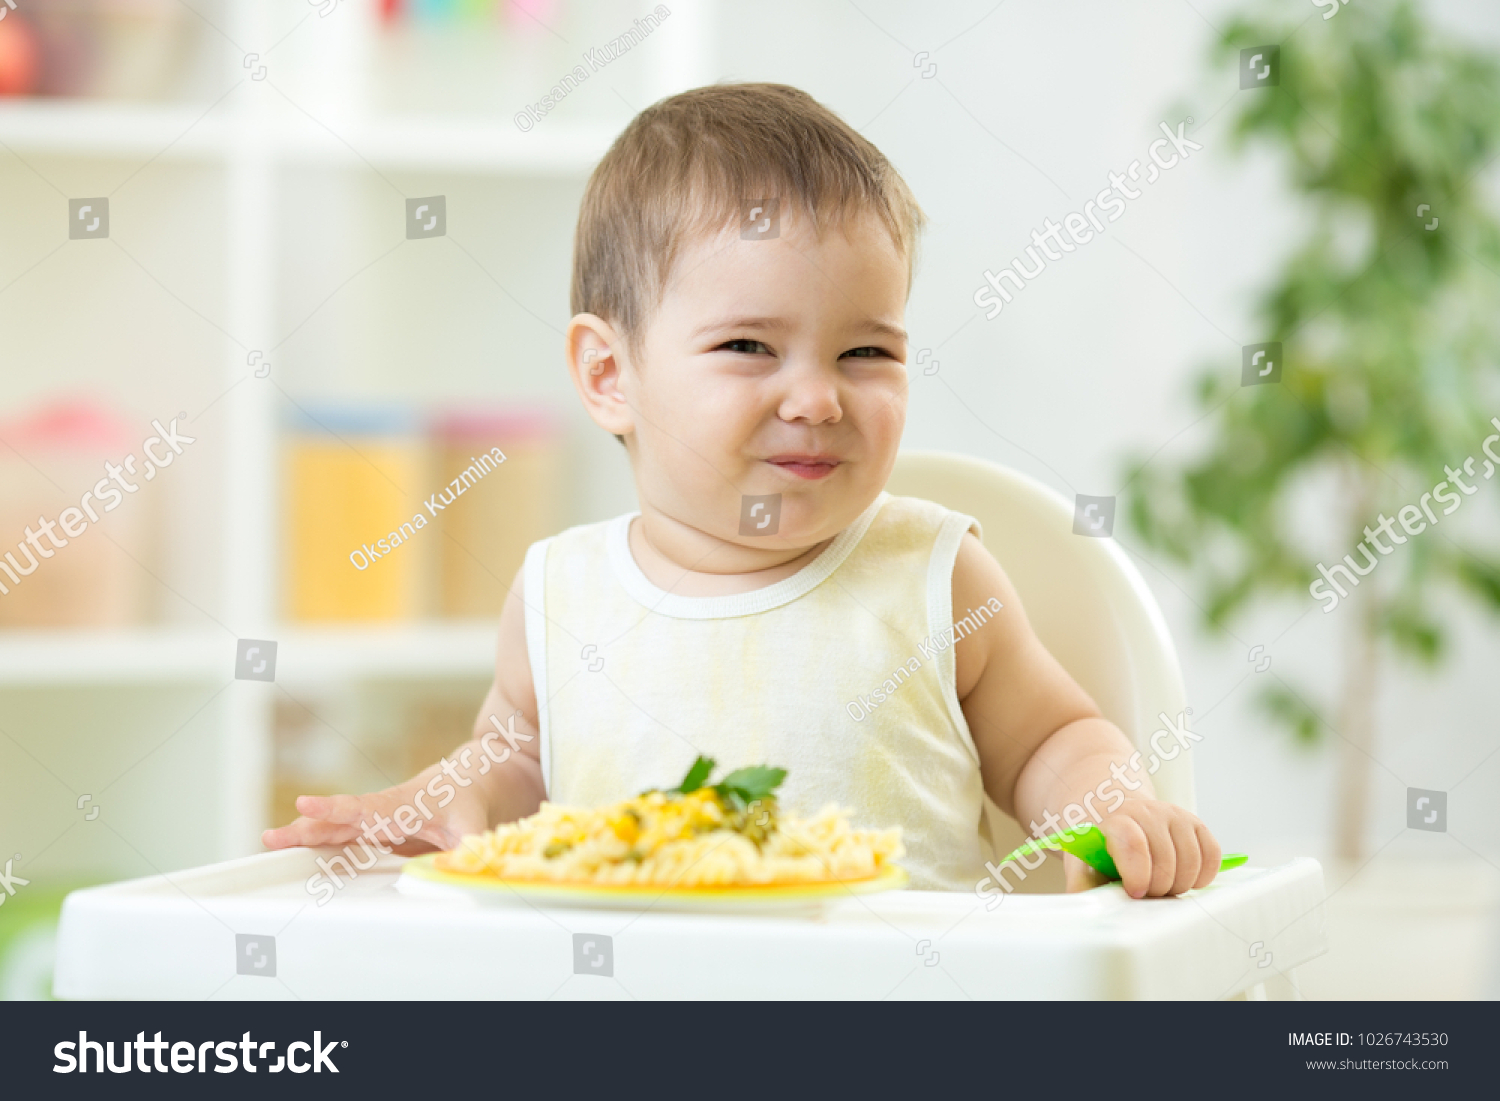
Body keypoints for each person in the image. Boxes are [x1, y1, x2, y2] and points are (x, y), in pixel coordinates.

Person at [264, 82, 1221, 899]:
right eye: (748, 347)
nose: (816, 397)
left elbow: (1053, 738)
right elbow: (516, 764)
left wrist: (1110, 808)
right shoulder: (562, 594)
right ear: (609, 374)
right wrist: (448, 796)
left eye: (866, 351)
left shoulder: (937, 575)